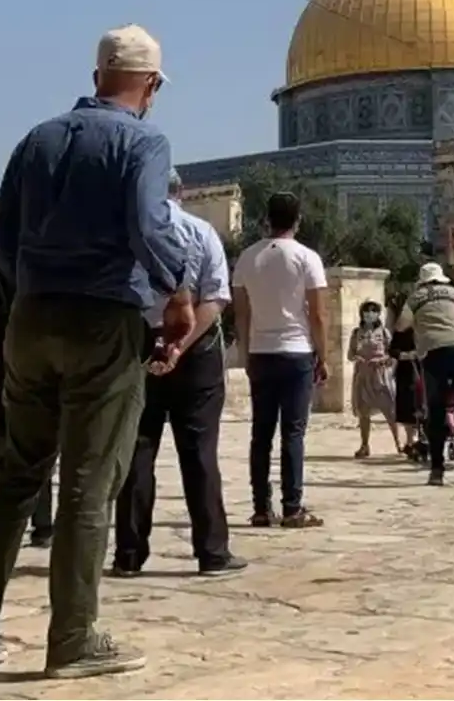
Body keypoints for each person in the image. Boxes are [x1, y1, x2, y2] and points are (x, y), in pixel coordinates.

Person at [0, 24, 195, 679]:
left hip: (31, 318)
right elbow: (147, 227)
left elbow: (0, 237)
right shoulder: (144, 140)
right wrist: (177, 287)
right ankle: (74, 637)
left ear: (95, 78)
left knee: (16, 475)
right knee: (89, 480)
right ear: (151, 85)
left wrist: (21, 297)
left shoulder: (39, 138)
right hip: (103, 319)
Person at [113, 169, 244, 578]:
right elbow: (216, 297)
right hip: (197, 350)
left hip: (140, 346)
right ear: (181, 192)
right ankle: (212, 552)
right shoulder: (201, 232)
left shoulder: (127, 235)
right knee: (200, 453)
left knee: (137, 451)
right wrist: (180, 346)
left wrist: (157, 345)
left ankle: (129, 554)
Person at [233, 191, 328, 528]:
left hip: (261, 351)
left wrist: (245, 352)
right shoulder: (307, 258)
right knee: (293, 432)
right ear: (297, 221)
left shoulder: (247, 258)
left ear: (266, 220)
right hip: (296, 350)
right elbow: (317, 314)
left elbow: (241, 314)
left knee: (261, 433)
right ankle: (292, 506)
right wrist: (324, 355)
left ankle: (261, 507)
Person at [395, 262, 454, 486]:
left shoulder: (414, 299)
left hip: (432, 353)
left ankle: (437, 470)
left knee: (435, 412)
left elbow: (400, 326)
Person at [0, 289, 55, 546]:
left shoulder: (2, 292)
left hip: (8, 372)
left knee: (8, 452)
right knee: (39, 449)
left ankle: (7, 524)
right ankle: (42, 526)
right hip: (35, 372)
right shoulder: (44, 290)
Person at [348, 299, 401, 459]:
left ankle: (399, 443)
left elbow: (392, 354)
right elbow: (350, 354)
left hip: (380, 375)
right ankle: (364, 445)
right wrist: (357, 358)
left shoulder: (384, 332)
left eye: (373, 311)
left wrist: (381, 360)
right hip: (363, 375)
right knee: (364, 412)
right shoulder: (357, 333)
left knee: (389, 411)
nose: (369, 315)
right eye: (366, 311)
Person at [387, 294, 420, 456]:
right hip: (406, 371)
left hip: (424, 370)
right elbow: (392, 350)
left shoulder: (425, 328)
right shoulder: (401, 331)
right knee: (407, 405)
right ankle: (410, 440)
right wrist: (404, 355)